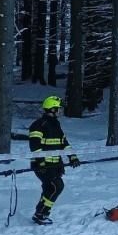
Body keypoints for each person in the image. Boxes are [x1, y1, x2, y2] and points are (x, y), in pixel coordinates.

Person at [28, 95, 79, 226]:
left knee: (49, 189)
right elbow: (35, 146)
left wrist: (72, 157)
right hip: (43, 166)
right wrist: (41, 163)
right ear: (52, 109)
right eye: (58, 108)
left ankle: (40, 213)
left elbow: (64, 143)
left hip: (55, 164)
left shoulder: (56, 124)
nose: (60, 111)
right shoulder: (38, 125)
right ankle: (41, 213)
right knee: (56, 186)